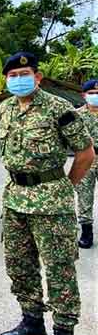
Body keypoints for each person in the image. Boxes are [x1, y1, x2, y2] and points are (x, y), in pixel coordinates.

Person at [0, 52, 94, 335]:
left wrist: (66, 186)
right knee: (19, 265)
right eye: (12, 76)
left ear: (37, 77)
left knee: (59, 268)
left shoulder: (58, 107)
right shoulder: (4, 108)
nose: (18, 80)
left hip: (51, 200)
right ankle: (32, 323)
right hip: (14, 198)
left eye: (24, 74)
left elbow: (86, 153)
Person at [76, 79, 98, 249]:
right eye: (91, 93)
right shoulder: (76, 115)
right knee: (84, 195)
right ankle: (86, 232)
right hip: (86, 159)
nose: (95, 96)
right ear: (84, 95)